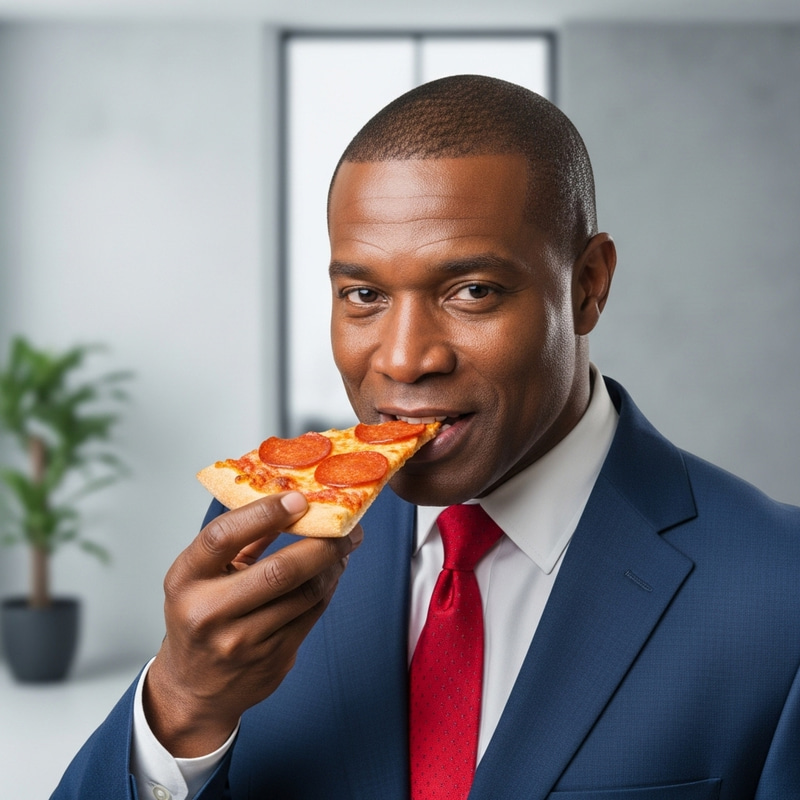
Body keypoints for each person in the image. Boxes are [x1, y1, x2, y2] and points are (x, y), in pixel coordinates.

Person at [53, 75, 800, 800]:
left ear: (587, 285)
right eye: (363, 295)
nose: (405, 359)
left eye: (472, 291)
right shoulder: (262, 538)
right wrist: (181, 708)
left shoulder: (780, 589)